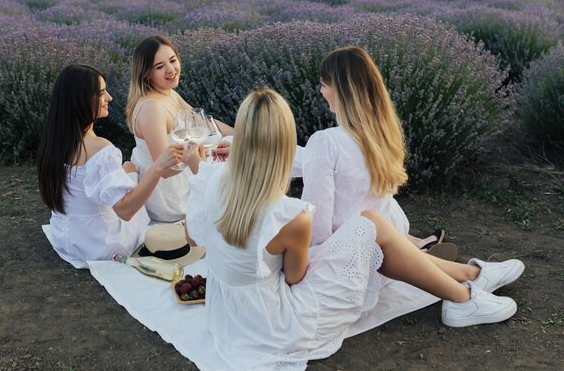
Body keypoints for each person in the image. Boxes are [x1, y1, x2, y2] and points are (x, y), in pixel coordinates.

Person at [184, 89, 524, 370]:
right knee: (370, 228)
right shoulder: (290, 216)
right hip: (276, 324)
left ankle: (469, 277)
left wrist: (194, 162)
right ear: (286, 142)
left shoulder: (213, 181)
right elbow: (295, 278)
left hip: (231, 314)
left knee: (369, 233)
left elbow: (194, 234)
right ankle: (463, 294)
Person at [293, 46, 456, 259]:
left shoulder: (327, 141)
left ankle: (430, 258)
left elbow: (318, 220)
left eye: (324, 85)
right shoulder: (382, 135)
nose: (321, 91)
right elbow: (312, 160)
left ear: (342, 90)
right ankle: (423, 254)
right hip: (380, 240)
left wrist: (310, 260)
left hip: (345, 251)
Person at [37, 64, 183, 267]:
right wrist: (158, 167)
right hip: (101, 244)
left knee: (128, 168)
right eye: (101, 92)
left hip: (67, 236)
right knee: (132, 170)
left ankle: (128, 173)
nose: (109, 97)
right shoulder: (100, 149)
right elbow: (125, 212)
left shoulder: (55, 140)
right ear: (80, 100)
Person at [126, 35, 233, 223]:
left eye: (173, 60)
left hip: (180, 171)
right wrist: (198, 158)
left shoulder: (167, 93)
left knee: (233, 147)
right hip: (168, 194)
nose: (171, 70)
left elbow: (202, 123)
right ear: (146, 73)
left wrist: (239, 134)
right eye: (159, 67)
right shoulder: (152, 108)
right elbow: (165, 169)